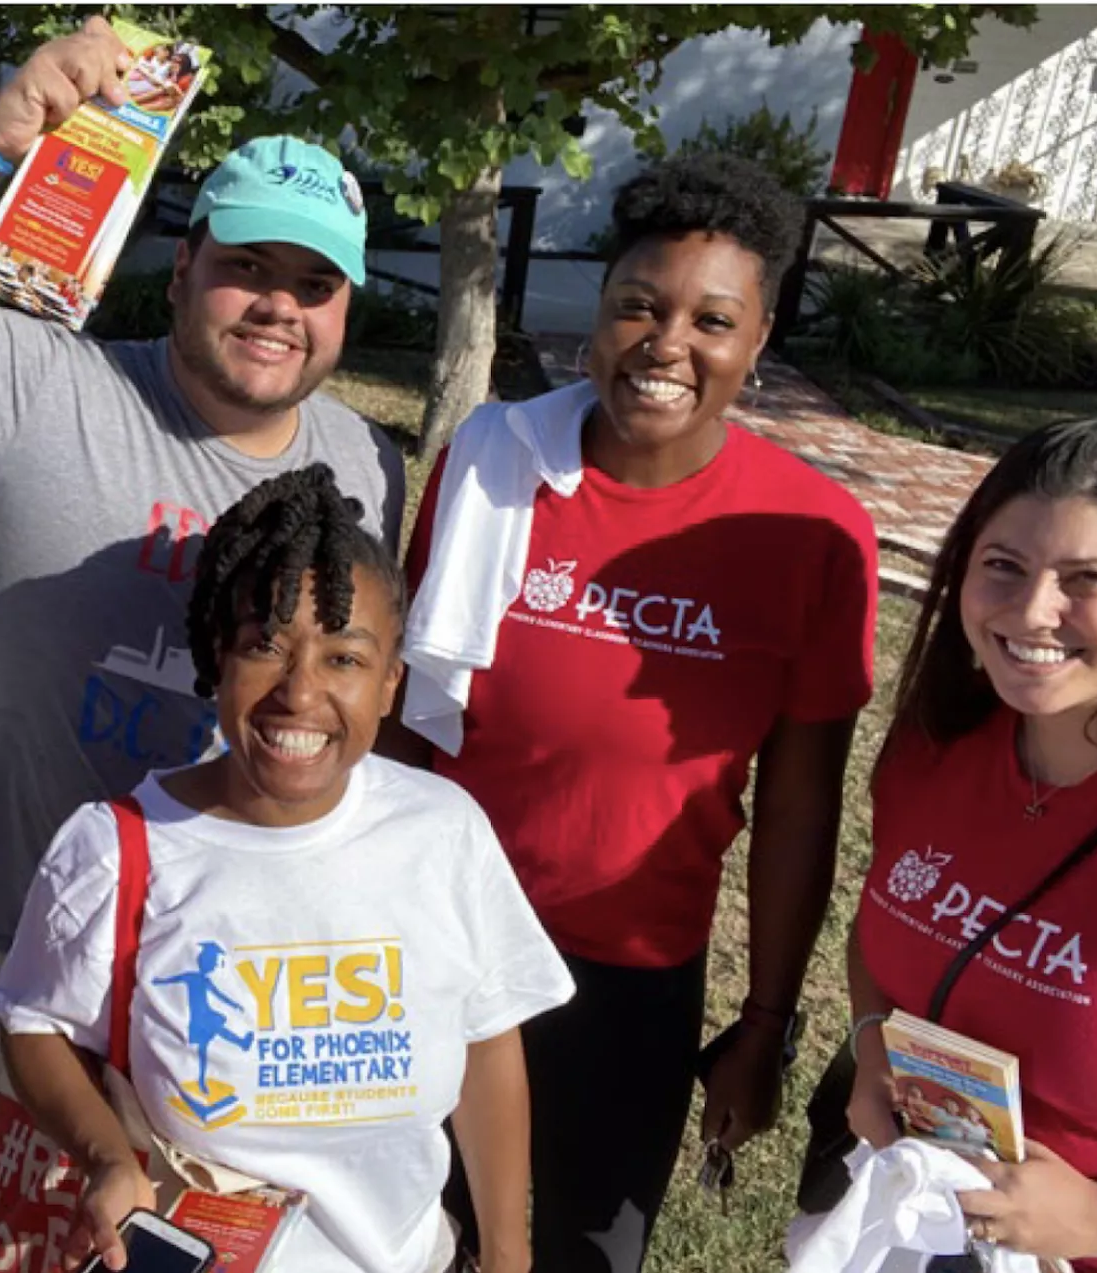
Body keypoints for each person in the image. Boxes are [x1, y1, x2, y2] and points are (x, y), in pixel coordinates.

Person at [0, 16, 405, 1179]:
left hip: (246, 945)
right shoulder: (35, 383)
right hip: (26, 934)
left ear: (345, 311)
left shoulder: (370, 466)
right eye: (247, 266)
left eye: (314, 283)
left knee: (219, 1230)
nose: (279, 303)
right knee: (45, 1233)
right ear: (181, 268)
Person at [391, 152, 879, 1273]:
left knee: (583, 1249)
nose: (666, 345)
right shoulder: (493, 463)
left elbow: (802, 806)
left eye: (713, 320)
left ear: (757, 343)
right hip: (439, 943)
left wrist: (762, 1027)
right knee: (407, 1234)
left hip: (629, 976)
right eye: (637, 306)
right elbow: (410, 714)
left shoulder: (813, 534)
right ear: (596, 317)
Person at [0, 464, 572, 1273]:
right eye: (265, 645)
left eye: (344, 658)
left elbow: (486, 1042)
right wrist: (106, 1154)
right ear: (216, 658)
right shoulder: (117, 846)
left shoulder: (445, 832)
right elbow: (32, 1021)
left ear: (390, 684)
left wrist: (508, 1253)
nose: (300, 692)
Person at [846, 414, 1097, 1271]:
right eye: (1003, 567)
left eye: (1086, 578)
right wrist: (872, 1039)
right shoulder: (935, 747)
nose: (1032, 611)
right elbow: (881, 920)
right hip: (928, 1230)